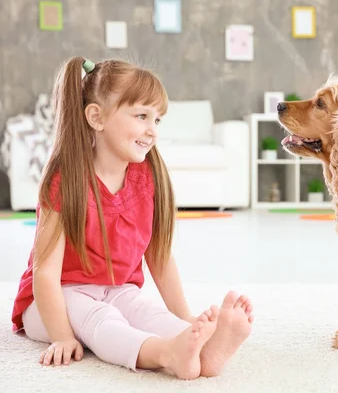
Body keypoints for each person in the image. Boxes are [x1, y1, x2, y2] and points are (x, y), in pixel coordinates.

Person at [10, 57, 254, 380]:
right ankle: (167, 354)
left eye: (157, 120)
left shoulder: (146, 177)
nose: (151, 130)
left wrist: (187, 321)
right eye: (141, 116)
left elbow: (159, 258)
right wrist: (63, 337)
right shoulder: (65, 180)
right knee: (100, 320)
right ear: (96, 117)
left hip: (116, 288)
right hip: (50, 300)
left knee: (141, 309)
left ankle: (200, 346)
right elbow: (45, 274)